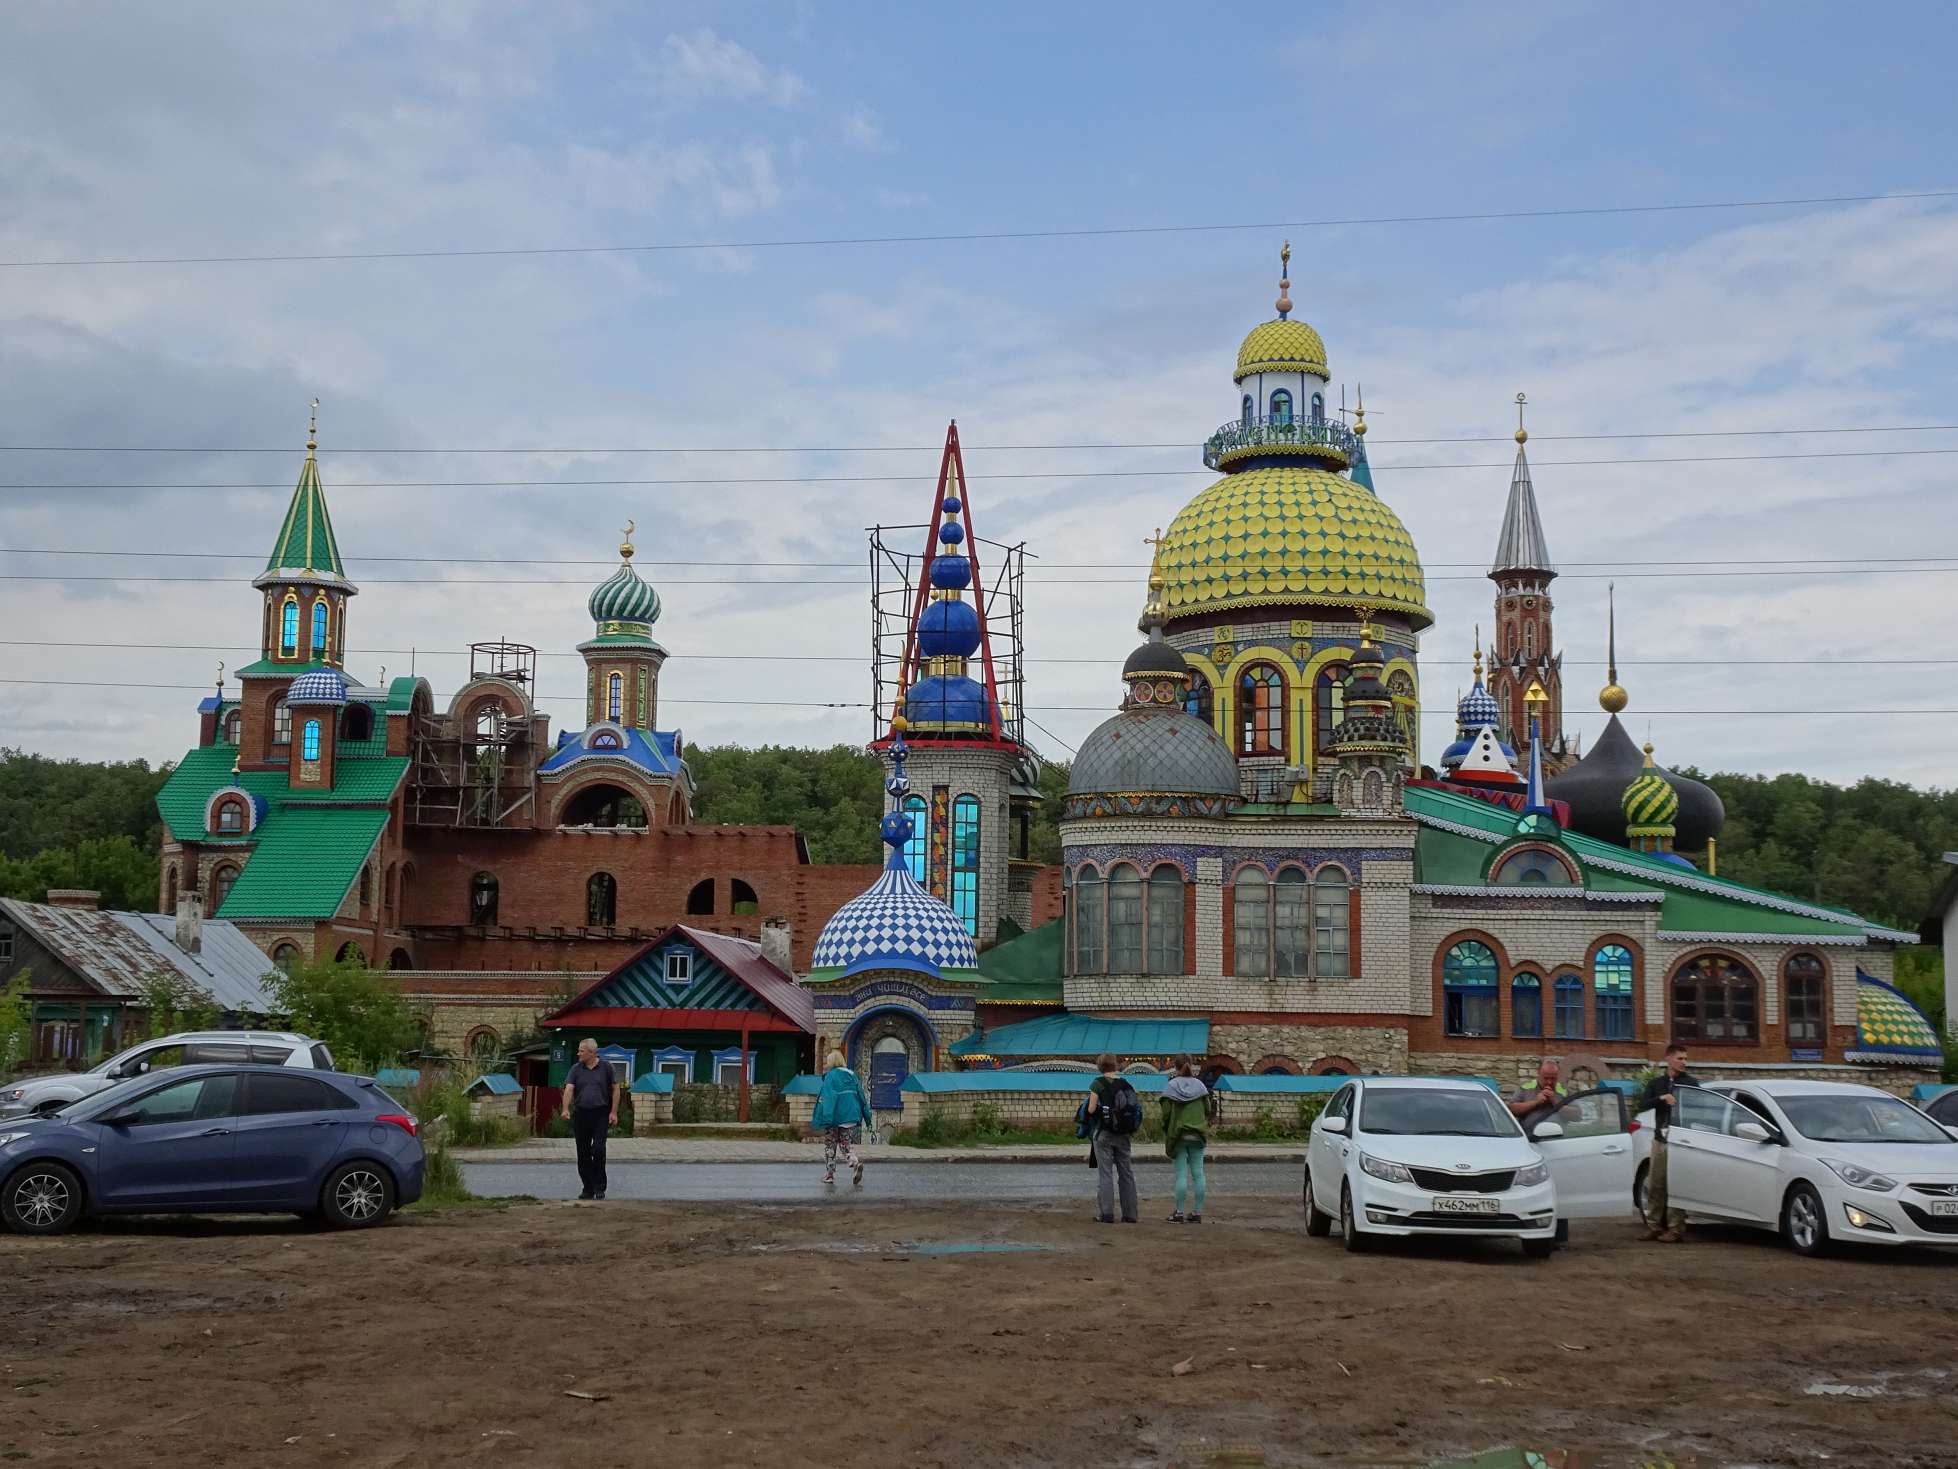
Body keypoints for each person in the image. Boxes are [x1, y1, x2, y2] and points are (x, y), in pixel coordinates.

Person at [1640, 1042, 1701, 1243]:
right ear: (1668, 1058)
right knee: (1656, 1183)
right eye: (1680, 1058)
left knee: (1675, 1183)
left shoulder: (1691, 1083)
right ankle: (1654, 1226)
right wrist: (1662, 1098)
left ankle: (1676, 1228)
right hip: (1660, 1138)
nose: (1684, 1062)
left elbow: (1698, 1107)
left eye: (1685, 1058)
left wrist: (1680, 1101)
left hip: (1680, 1139)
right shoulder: (1657, 1083)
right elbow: (1643, 1104)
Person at [1084, 1052, 1139, 1225]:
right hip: (1124, 1134)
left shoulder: (1097, 1083)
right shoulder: (1126, 1084)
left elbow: (1091, 1109)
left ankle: (1106, 1214)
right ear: (1115, 1065)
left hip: (1104, 1134)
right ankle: (1130, 1214)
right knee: (1126, 1173)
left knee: (1106, 1173)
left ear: (1100, 1066)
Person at [560, 1037, 617, 1201]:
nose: (578, 1053)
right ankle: (588, 1187)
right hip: (581, 1114)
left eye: (581, 1051)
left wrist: (613, 1112)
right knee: (583, 1153)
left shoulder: (606, 1068)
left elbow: (615, 1089)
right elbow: (569, 1089)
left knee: (598, 1149)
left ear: (592, 1053)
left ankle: (600, 1186)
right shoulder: (576, 1069)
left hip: (600, 1113)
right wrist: (565, 1109)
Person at [1159, 1054, 1210, 1224]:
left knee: (1181, 1174)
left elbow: (1165, 1115)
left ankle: (1179, 1213)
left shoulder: (1171, 1087)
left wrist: (1166, 1130)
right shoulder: (1201, 1086)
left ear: (1175, 1067)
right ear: (1192, 1065)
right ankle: (1197, 1212)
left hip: (1179, 1134)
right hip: (1198, 1134)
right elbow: (1208, 1110)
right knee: (1199, 1174)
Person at [811, 1049, 871, 1186]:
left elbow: (829, 1098)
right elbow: (861, 1096)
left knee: (830, 1144)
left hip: (834, 1116)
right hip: (850, 1115)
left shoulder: (830, 1076)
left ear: (831, 1062)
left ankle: (830, 1175)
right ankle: (855, 1162)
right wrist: (867, 1117)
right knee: (845, 1142)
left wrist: (826, 1118)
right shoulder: (852, 1075)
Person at [1507, 1061, 1567, 1133]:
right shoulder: (1526, 1087)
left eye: (1553, 1078)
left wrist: (1556, 1102)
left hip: (1558, 1137)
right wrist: (1535, 1102)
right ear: (1538, 1073)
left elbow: (1577, 1115)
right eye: (1546, 1078)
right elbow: (1512, 1110)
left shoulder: (1564, 1090)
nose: (1549, 1082)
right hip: (1530, 1137)